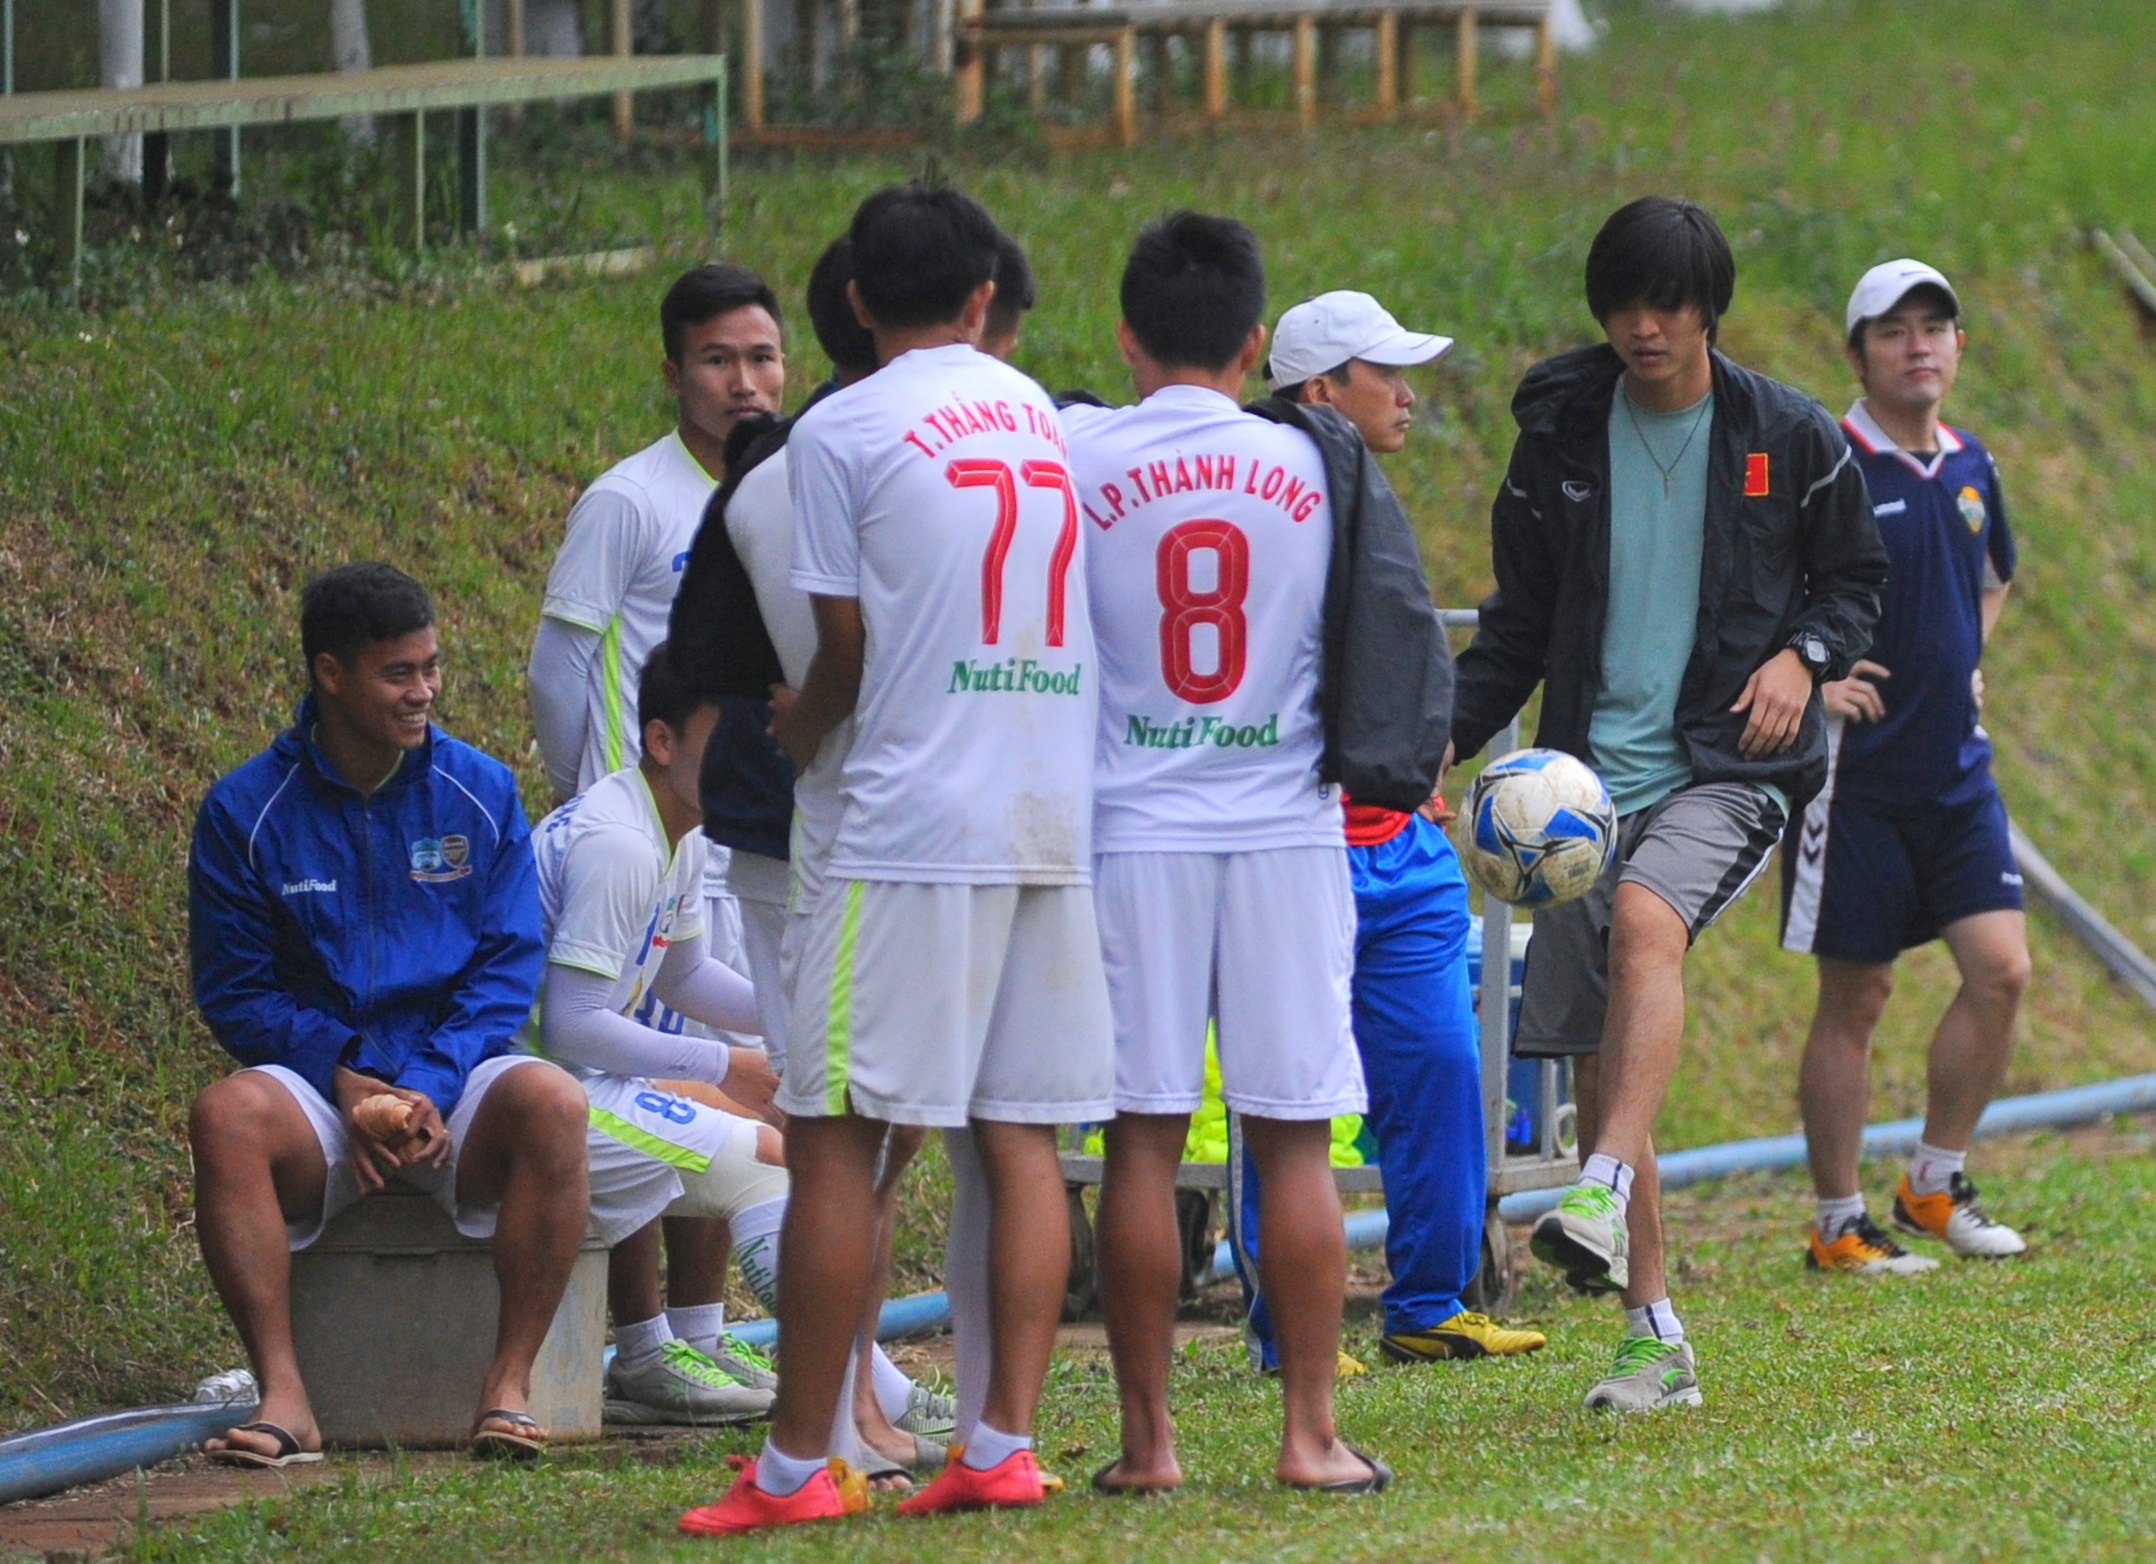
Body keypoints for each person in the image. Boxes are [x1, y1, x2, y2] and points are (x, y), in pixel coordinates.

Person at [678, 183, 1113, 1537]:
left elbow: (843, 649)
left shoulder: (838, 430)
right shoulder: (1034, 408)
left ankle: (800, 1468)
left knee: (835, 1140)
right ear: (984, 299)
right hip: (1048, 812)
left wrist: (796, 730)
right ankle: (1000, 1443)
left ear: (856, 303)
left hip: (903, 828)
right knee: (1020, 1135)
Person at [1446, 197, 1887, 1410]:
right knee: (1603, 1053)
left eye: (1667, 305)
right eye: (1623, 305)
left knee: (1649, 922)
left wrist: (1800, 654)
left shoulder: (1787, 437)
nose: (1642, 326)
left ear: (1708, 311)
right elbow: (1518, 626)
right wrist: (1423, 736)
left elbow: (1854, 580)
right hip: (1582, 778)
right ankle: (1652, 1335)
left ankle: (1590, 1185)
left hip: (1729, 764)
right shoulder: (1558, 434)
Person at [1065, 212, 1385, 1495]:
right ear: (1258, 343)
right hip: (1284, 827)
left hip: (1131, 826)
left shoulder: (1078, 455)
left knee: (1140, 1138)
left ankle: (1149, 1445)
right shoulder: (1317, 461)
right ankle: (1309, 1435)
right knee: (1292, 1137)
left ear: (1127, 338)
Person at [187, 563, 592, 1465]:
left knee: (556, 1101)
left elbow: (506, 965)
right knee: (224, 1116)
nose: (425, 693)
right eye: (398, 674)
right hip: (318, 1086)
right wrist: (341, 1075)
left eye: (432, 668)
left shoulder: (481, 793)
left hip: (453, 1076)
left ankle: (508, 1389)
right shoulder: (244, 812)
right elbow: (236, 989)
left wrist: (425, 1085)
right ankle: (287, 1399)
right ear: (329, 674)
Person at [668, 239, 958, 1477]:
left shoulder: (885, 446)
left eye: (760, 354)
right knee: (840, 1133)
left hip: (894, 838)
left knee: (881, 1134)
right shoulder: (811, 462)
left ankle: (860, 1403)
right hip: (802, 843)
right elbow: (701, 666)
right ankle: (834, 1416)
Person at [1253, 289, 1546, 1365]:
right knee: (1288, 1100)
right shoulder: (1264, 500)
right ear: (1322, 390)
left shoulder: (1367, 492)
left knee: (1437, 1066)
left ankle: (1426, 1302)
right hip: (1300, 851)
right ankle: (1286, 1328)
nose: (1408, 392)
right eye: (1386, 371)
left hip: (1407, 855)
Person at [526, 262, 784, 1407]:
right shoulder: (628, 499)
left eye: (762, 356)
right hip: (647, 827)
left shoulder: (785, 494)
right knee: (651, 1088)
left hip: (723, 844)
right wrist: (599, 786)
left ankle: (698, 1325)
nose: (743, 380)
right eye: (719, 359)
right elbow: (557, 663)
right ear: (674, 368)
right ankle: (640, 1344)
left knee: (718, 1098)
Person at [1782, 259, 2030, 1271]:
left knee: (2001, 971)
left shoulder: (1972, 464)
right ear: (1856, 354)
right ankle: (1837, 1222)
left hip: (1955, 773)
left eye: (1934, 327)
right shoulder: (1826, 462)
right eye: (1892, 331)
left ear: (1957, 347)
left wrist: (1967, 662)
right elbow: (1757, 596)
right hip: (1855, 784)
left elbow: (1994, 574)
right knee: (1858, 994)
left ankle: (1930, 1182)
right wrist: (1812, 682)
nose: (1917, 344)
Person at [528, 640, 787, 1425]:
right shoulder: (621, 845)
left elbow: (684, 978)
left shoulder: (674, 825)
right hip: (532, 1095)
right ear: (662, 740)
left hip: (582, 1082)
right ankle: (847, 1389)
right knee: (773, 1155)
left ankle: (692, 1342)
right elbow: (571, 1026)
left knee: (771, 1119)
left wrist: (794, 1017)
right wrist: (723, 1063)